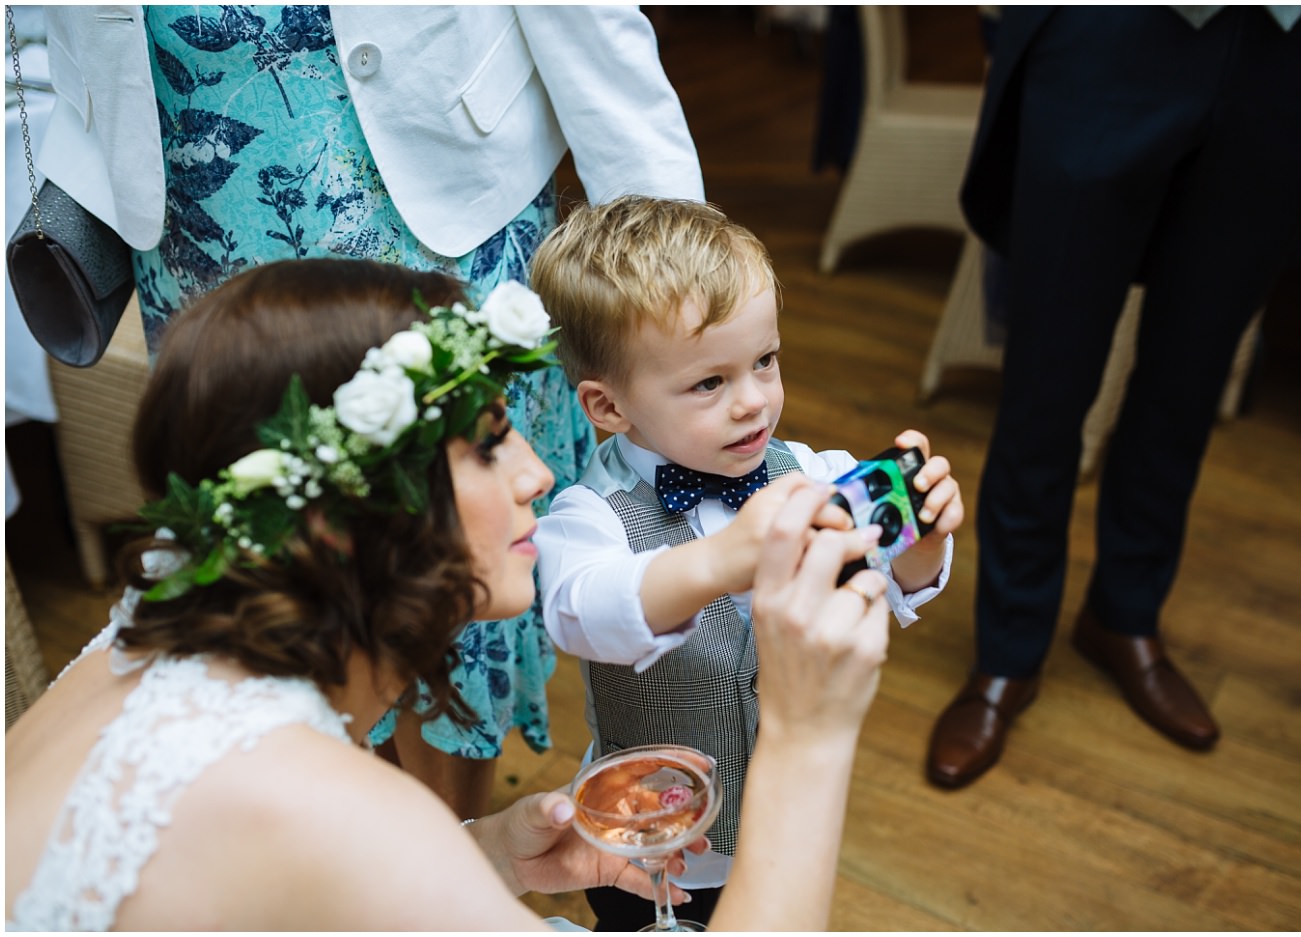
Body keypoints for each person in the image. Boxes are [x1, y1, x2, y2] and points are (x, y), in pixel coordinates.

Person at [5, 257, 897, 931]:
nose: (540, 474)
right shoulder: (330, 806)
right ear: (348, 511)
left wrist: (489, 856)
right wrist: (810, 734)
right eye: (487, 444)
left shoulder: (146, 628)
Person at [37, 4, 705, 821]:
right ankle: (326, 852)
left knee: (450, 553)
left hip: (431, 208)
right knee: (281, 571)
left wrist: (687, 314)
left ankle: (435, 859)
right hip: (202, 220)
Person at [925, 6, 1301, 789]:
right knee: (1047, 380)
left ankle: (1124, 614)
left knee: (1190, 379)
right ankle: (1006, 652)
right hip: (1113, 31)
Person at [529, 196, 965, 929]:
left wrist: (922, 539)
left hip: (780, 816)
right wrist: (725, 556)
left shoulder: (810, 470)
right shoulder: (589, 516)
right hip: (651, 849)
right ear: (608, 406)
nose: (755, 401)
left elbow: (893, 582)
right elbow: (583, 611)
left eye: (765, 360)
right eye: (710, 382)